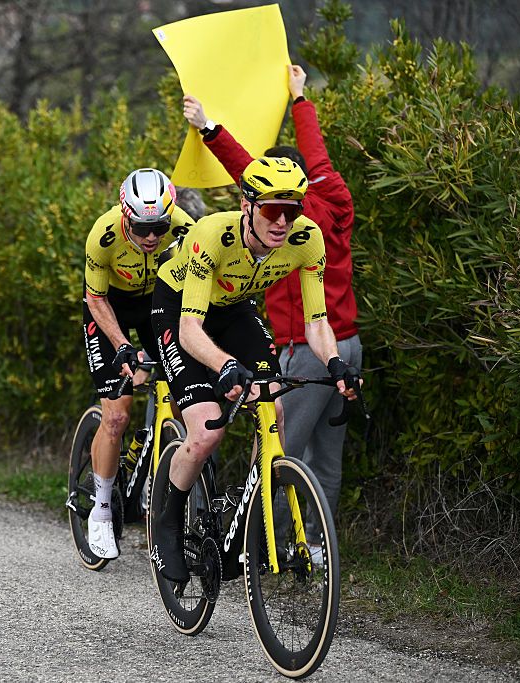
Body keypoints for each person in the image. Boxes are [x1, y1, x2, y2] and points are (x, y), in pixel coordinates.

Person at [148, 156, 360, 581]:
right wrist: (226, 365)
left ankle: (247, 525)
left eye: (291, 210)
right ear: (247, 206)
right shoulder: (213, 235)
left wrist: (335, 363)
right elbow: (190, 330)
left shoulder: (307, 238)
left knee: (273, 408)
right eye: (272, 210)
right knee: (207, 432)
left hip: (233, 309)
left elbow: (317, 322)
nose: (282, 222)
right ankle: (165, 525)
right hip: (178, 309)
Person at [182, 63, 360, 544]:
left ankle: (262, 546)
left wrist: (208, 126)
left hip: (308, 346)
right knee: (327, 458)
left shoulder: (282, 219)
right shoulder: (333, 197)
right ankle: (315, 545)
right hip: (347, 345)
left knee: (282, 449)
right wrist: (299, 98)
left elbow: (244, 171)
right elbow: (317, 155)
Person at [81, 168, 196, 560]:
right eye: (143, 229)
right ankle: (100, 509)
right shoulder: (103, 235)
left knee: (184, 393)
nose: (151, 237)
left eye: (159, 228)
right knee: (116, 415)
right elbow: (96, 300)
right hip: (108, 307)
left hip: (154, 305)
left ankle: (157, 474)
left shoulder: (183, 227)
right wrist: (122, 345)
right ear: (125, 216)